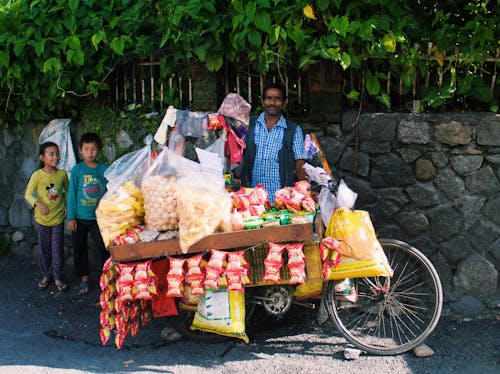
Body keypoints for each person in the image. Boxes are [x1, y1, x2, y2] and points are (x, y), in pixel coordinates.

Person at [240, 82, 307, 204]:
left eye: (277, 99)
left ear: (284, 103)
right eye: (269, 98)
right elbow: (235, 153)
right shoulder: (249, 125)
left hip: (281, 200)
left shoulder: (293, 130)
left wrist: (303, 195)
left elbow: (299, 165)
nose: (272, 103)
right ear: (263, 101)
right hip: (253, 199)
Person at [66, 133, 108, 295]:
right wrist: (70, 217)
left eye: (93, 149)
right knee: (79, 249)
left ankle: (107, 278)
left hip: (97, 219)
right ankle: (83, 278)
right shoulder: (77, 170)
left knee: (103, 247)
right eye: (86, 149)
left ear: (99, 150)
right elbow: (71, 195)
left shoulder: (104, 169)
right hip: (78, 219)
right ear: (80, 151)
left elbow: (112, 190)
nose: (90, 152)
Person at [25, 142, 69, 292]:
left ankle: (58, 277)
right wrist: (37, 203)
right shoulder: (37, 175)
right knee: (44, 249)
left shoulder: (62, 174)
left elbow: (68, 192)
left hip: (57, 219)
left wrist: (67, 207)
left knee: (57, 249)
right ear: (42, 157)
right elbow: (28, 195)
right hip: (42, 220)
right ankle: (45, 275)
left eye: (57, 153)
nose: (55, 157)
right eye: (51, 154)